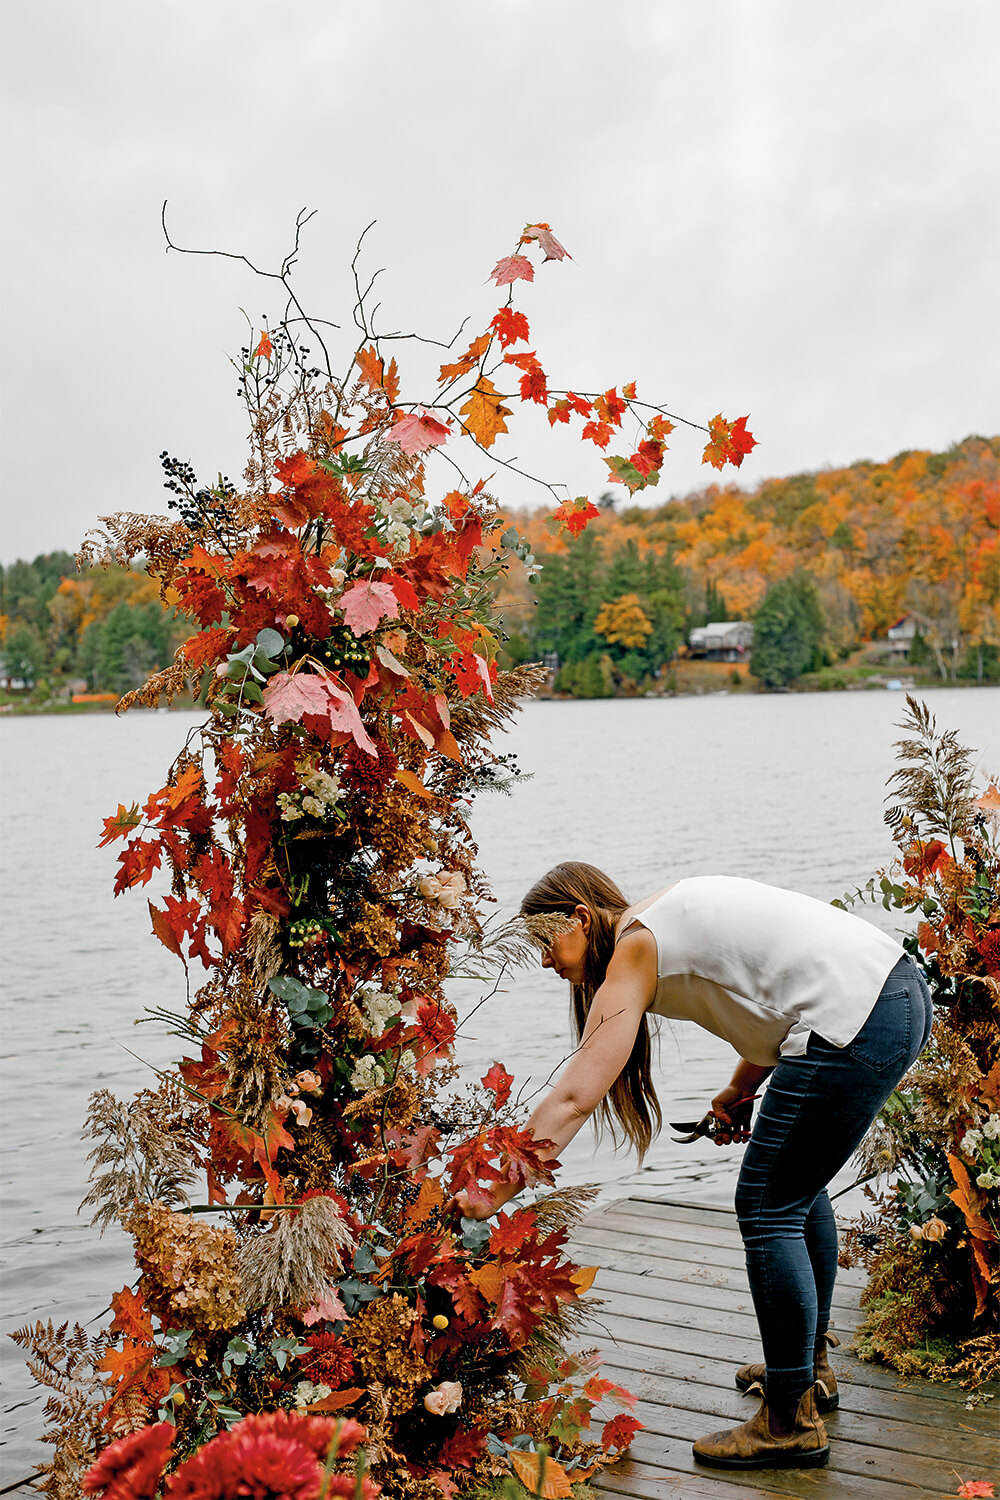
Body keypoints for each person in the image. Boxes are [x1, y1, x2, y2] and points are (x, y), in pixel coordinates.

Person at [455, 862, 932, 1471]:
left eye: (545, 945)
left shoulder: (635, 947)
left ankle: (789, 1422)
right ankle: (807, 1372)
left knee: (767, 1204)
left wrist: (491, 1189)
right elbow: (778, 989)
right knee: (797, 1187)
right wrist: (738, 1088)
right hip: (895, 992)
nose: (546, 963)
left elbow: (576, 1095)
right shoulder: (659, 919)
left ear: (579, 917)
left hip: (856, 1018)